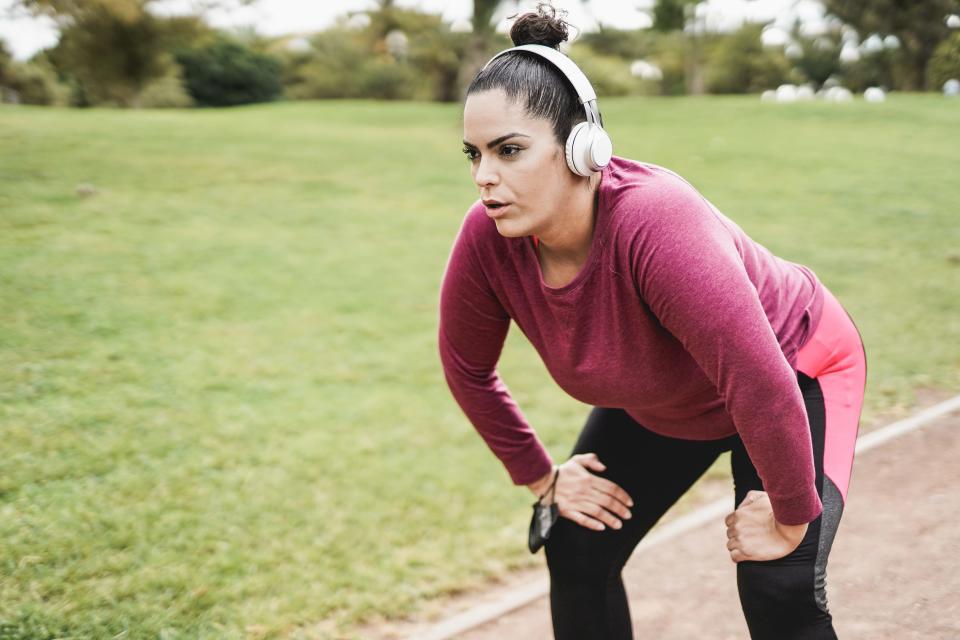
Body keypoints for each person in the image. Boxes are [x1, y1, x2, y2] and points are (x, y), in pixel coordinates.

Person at [437, 4, 867, 639]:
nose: (484, 177)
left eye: (509, 150)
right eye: (473, 154)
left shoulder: (655, 222)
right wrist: (542, 476)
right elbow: (466, 367)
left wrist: (790, 514)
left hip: (797, 370)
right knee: (576, 540)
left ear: (583, 147)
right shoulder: (489, 237)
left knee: (777, 578)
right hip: (674, 401)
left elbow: (757, 379)